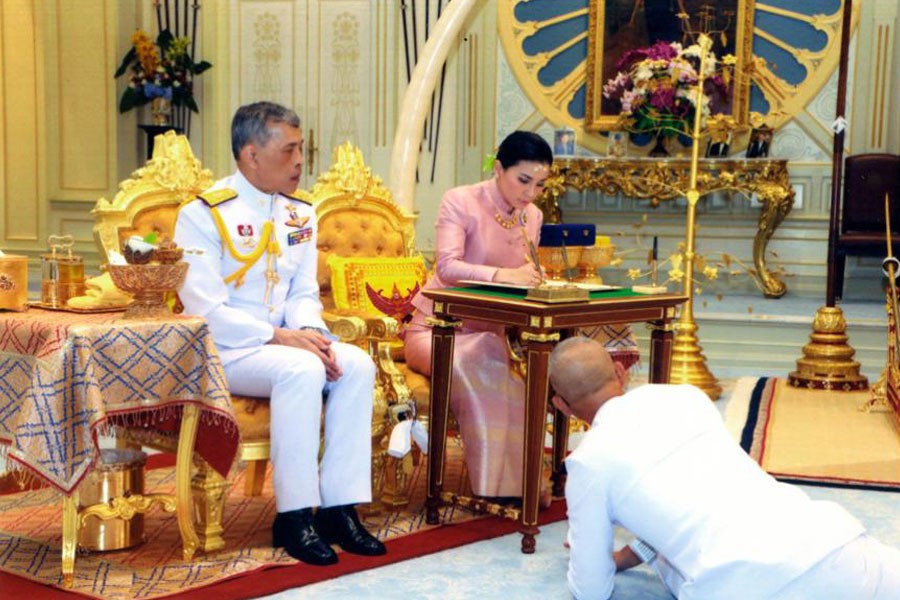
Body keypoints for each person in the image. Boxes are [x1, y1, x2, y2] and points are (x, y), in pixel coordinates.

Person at [174, 101, 385, 566]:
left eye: (301, 149)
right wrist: (285, 339)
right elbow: (205, 308)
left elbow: (304, 291)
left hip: (287, 343)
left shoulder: (299, 213)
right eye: (289, 150)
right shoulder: (203, 214)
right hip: (226, 349)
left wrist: (311, 332)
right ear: (251, 155)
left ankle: (339, 508)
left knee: (355, 364)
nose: (299, 161)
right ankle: (293, 516)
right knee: (301, 370)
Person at [548, 336, 900, 600]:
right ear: (620, 372)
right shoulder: (684, 398)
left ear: (562, 406)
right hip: (833, 545)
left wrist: (607, 558)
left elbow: (591, 590)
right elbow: (705, 499)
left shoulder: (588, 464)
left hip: (750, 585)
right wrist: (631, 555)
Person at [404, 130, 549, 500]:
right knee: (482, 362)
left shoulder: (532, 215)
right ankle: (495, 489)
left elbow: (526, 272)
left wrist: (535, 279)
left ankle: (519, 485)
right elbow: (448, 268)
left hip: (492, 336)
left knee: (514, 380)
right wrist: (505, 276)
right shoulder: (460, 201)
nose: (530, 193)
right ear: (498, 168)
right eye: (524, 181)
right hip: (438, 332)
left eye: (540, 184)